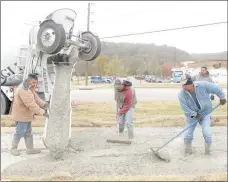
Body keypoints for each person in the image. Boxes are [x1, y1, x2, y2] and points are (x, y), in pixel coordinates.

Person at [178, 78, 226, 155]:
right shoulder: (181, 94)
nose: (183, 87)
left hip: (205, 113)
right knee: (187, 135)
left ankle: (207, 153)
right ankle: (188, 153)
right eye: (182, 85)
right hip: (192, 116)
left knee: (207, 133)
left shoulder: (202, 85)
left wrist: (222, 97)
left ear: (191, 83)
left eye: (185, 85)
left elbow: (216, 88)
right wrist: (195, 114)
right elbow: (185, 109)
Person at [11, 73, 49, 156]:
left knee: (28, 132)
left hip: (27, 115)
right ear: (28, 81)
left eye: (36, 82)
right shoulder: (23, 90)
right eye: (33, 83)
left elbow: (36, 99)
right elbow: (31, 104)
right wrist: (43, 112)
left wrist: (45, 105)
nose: (35, 84)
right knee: (20, 132)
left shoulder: (29, 88)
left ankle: (30, 149)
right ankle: (13, 149)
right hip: (21, 115)